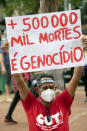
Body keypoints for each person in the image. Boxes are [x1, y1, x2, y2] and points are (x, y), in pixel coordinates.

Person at [1, 36, 87, 131]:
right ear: (37, 90)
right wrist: (11, 54)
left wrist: (81, 50)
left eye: (51, 87)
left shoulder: (63, 102)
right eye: (45, 88)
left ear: (55, 88)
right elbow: (19, 81)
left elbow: (75, 78)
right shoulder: (31, 104)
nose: (48, 90)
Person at [0, 31, 12, 102]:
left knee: (8, 80)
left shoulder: (8, 42)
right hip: (6, 64)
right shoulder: (3, 42)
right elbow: (1, 55)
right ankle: (7, 97)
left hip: (9, 64)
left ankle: (8, 96)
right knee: (7, 81)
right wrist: (2, 66)